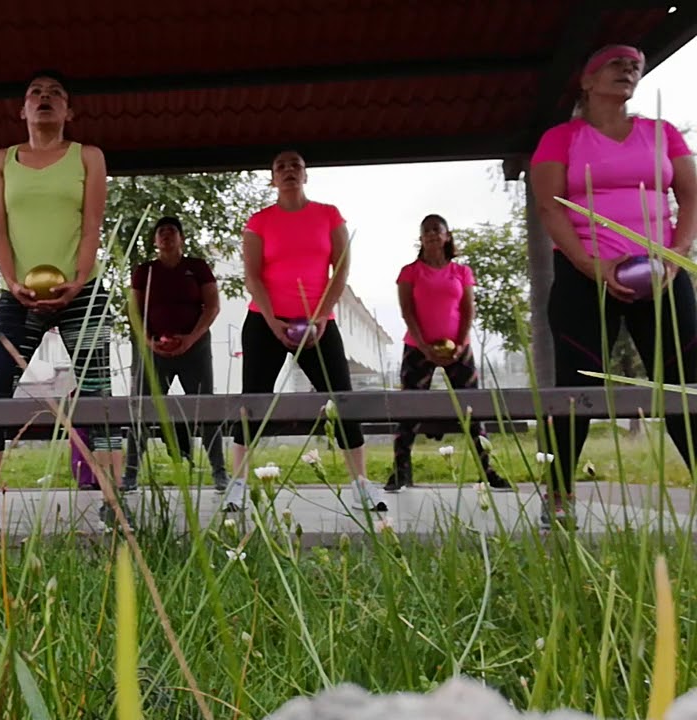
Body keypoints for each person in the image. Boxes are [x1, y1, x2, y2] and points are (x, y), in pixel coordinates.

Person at [0, 70, 124, 536]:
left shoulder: (88, 156)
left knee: (98, 395)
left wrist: (79, 279)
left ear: (69, 111)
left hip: (80, 292)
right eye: (35, 93)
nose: (44, 99)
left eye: (55, 94)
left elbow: (91, 227)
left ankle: (112, 501)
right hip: (18, 294)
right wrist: (12, 283)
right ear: (22, 110)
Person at [531, 44, 697, 528]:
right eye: (617, 63)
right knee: (574, 388)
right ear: (586, 79)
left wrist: (675, 257)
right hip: (586, 277)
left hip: (663, 275)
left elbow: (689, 197)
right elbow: (550, 207)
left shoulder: (662, 134)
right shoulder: (561, 138)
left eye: (635, 66)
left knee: (685, 385)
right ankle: (559, 496)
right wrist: (591, 265)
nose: (629, 70)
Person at [227, 150, 385, 514]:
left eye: (295, 166)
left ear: (305, 175)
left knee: (341, 400)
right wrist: (272, 322)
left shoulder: (329, 216)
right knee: (254, 402)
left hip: (318, 322)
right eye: (280, 167)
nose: (288, 171)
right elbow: (252, 277)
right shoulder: (260, 221)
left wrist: (320, 317)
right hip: (266, 322)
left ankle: (360, 483)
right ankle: (238, 484)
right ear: (272, 178)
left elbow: (341, 272)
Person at [387, 214, 510, 493]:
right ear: (420, 238)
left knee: (472, 409)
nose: (431, 234)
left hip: (459, 348)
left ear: (447, 235)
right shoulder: (409, 272)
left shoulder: (461, 272)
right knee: (409, 409)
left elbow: (468, 309)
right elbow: (407, 311)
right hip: (418, 348)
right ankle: (400, 471)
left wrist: (460, 343)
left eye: (436, 229)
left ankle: (486, 470)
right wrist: (424, 346)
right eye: (426, 230)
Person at [122, 216, 227, 492]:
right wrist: (149, 342)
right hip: (153, 349)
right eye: (161, 232)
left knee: (206, 408)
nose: (167, 235)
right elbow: (133, 311)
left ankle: (220, 473)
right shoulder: (144, 271)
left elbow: (212, 306)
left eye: (172, 231)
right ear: (155, 241)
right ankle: (129, 476)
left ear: (181, 238)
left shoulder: (197, 267)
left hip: (195, 348)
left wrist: (191, 339)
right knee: (142, 409)